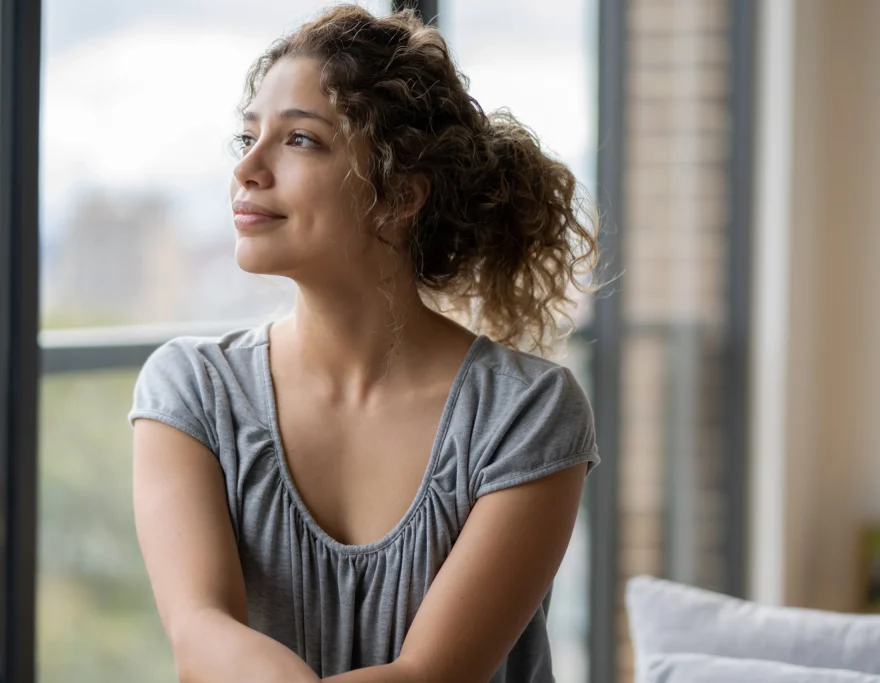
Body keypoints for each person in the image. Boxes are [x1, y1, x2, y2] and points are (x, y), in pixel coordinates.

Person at [128, 5, 600, 683]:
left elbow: (431, 674)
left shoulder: (528, 411)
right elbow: (201, 634)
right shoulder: (190, 391)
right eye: (248, 137)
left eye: (299, 141)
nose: (248, 170)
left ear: (399, 195)